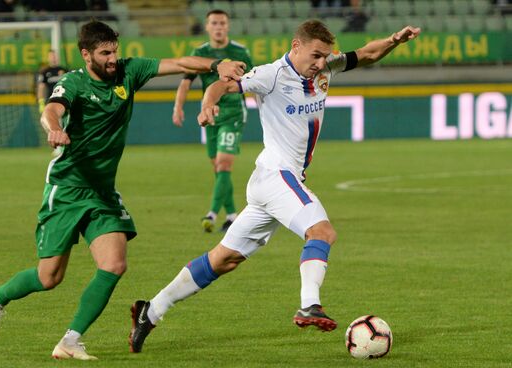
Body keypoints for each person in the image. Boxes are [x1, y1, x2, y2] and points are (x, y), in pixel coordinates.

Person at [128, 20, 420, 353]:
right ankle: (309, 304)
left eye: (326, 56)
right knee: (321, 232)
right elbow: (221, 85)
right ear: (296, 46)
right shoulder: (271, 74)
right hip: (276, 175)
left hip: (275, 183)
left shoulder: (325, 69)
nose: (322, 62)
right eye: (316, 55)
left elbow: (367, 54)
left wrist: (395, 40)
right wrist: (208, 103)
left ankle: (150, 310)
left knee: (223, 259)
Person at [0, 20, 245, 361]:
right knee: (49, 277)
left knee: (115, 264)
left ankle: (70, 340)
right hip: (67, 188)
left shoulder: (128, 72)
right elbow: (51, 110)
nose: (112, 59)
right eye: (104, 53)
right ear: (85, 53)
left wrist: (215, 65)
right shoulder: (73, 83)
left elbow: (178, 64)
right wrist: (55, 129)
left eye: (114, 51)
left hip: (103, 192)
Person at [172, 9, 253, 233]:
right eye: (214, 23)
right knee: (217, 168)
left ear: (227, 26)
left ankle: (212, 213)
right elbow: (186, 81)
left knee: (224, 164)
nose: (218, 27)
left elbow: (253, 82)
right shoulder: (200, 53)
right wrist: (178, 106)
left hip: (234, 112)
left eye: (222, 23)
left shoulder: (240, 52)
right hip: (210, 115)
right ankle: (233, 216)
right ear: (207, 27)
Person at [36, 50, 68, 114]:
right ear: (48, 58)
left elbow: (70, 85)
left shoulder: (64, 70)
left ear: (58, 57)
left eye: (55, 56)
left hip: (64, 100)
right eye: (51, 56)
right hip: (51, 101)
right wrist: (41, 103)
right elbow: (41, 87)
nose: (53, 58)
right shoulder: (44, 72)